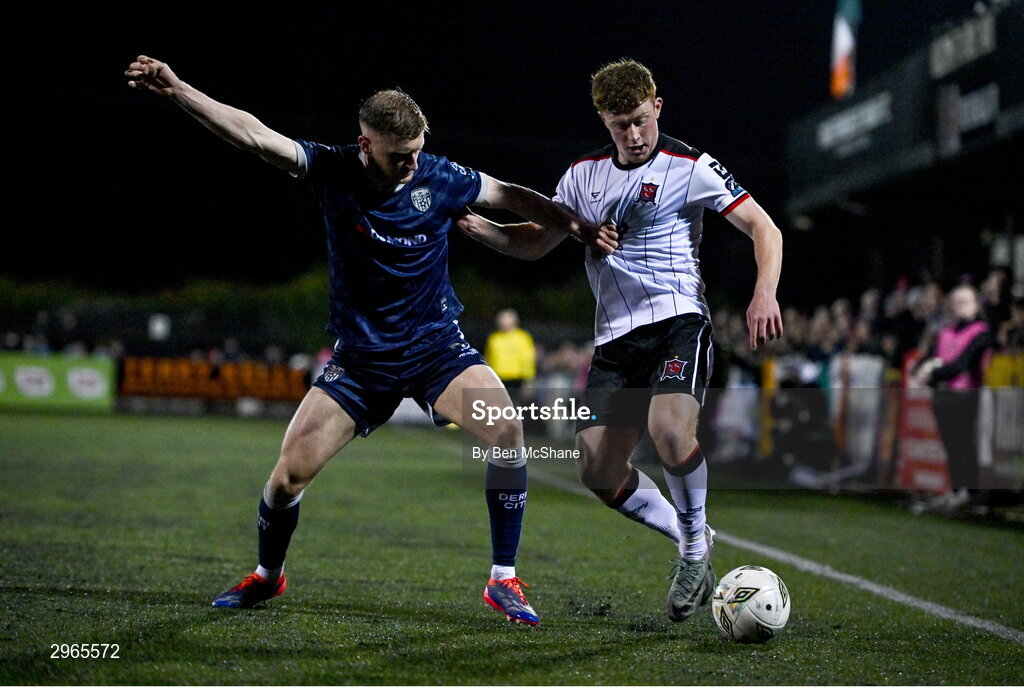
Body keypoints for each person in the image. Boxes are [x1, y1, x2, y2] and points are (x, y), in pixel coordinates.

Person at [125, 55, 616, 625]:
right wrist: (180, 89)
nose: (411, 164)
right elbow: (256, 137)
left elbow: (509, 196)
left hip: (436, 349)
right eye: (397, 154)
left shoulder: (440, 175)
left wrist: (576, 225)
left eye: (417, 149)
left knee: (505, 428)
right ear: (365, 144)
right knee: (286, 479)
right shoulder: (334, 171)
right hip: (361, 361)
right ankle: (267, 576)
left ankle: (503, 579)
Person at [459, 59, 783, 622]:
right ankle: (697, 536)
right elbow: (536, 243)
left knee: (668, 428)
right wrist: (476, 227)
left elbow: (765, 227)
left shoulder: (691, 165)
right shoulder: (582, 178)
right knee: (598, 472)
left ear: (657, 106)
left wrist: (765, 294)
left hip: (680, 320)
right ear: (603, 121)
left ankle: (688, 552)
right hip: (614, 341)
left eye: (639, 120)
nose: (633, 136)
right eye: (619, 125)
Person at [912, 284, 994, 512]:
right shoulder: (946, 331)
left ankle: (968, 491)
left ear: (976, 305)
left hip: (966, 395)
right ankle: (956, 488)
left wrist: (932, 373)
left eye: (965, 302)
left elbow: (963, 364)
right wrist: (920, 369)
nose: (960, 307)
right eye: (956, 302)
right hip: (943, 395)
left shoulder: (981, 332)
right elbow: (930, 356)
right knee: (950, 444)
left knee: (964, 443)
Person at [483, 309, 536, 406]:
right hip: (498, 378)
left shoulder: (523, 338)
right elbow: (489, 359)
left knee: (515, 405)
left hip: (516, 378)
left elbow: (527, 359)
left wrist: (528, 380)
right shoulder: (494, 338)